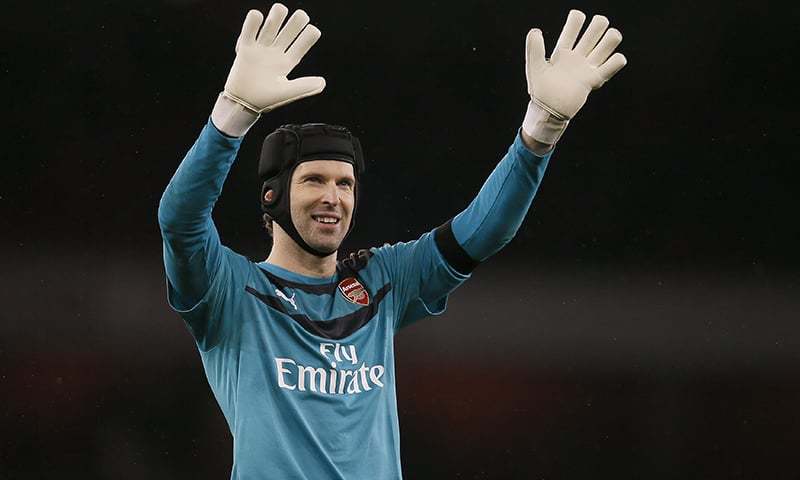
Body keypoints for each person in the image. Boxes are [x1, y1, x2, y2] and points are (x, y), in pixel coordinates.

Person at [157, 4, 626, 479]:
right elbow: (179, 220)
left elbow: (483, 232)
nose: (333, 198)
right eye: (314, 180)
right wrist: (230, 117)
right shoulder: (230, 292)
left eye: (345, 184)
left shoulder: (382, 280)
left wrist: (540, 130)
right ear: (272, 196)